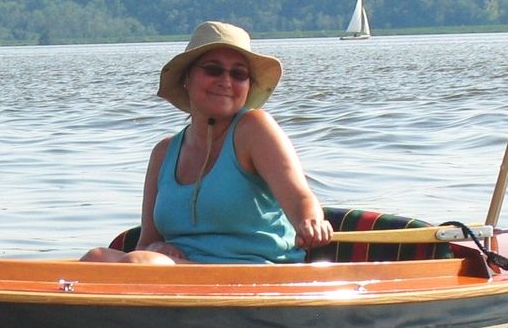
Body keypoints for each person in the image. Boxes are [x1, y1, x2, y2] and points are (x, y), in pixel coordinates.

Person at [83, 21, 332, 264]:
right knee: (96, 258)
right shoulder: (163, 153)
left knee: (141, 263)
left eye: (238, 74)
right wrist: (156, 247)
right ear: (186, 78)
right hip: (180, 272)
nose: (225, 81)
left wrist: (311, 221)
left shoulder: (254, 128)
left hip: (254, 273)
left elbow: (300, 198)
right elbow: (146, 243)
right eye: (213, 69)